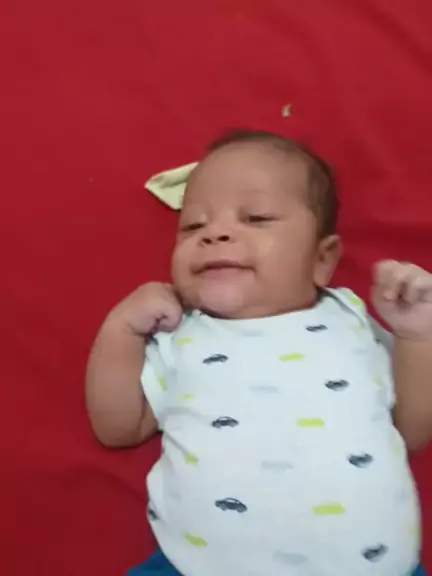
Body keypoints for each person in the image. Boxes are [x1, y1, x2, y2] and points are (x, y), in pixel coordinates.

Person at [86, 129, 432, 576]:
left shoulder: (350, 319)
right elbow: (117, 427)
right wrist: (122, 330)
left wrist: (416, 338)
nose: (215, 233)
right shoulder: (180, 333)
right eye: (193, 226)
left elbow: (412, 431)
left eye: (256, 217)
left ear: (322, 259)